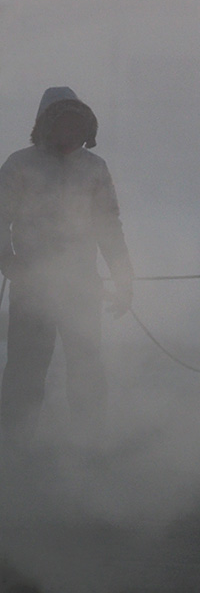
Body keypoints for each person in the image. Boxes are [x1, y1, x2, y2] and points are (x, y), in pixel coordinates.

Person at [0, 87, 133, 454]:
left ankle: (89, 444)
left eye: (77, 126)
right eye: (63, 125)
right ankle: (14, 446)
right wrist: (6, 258)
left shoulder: (95, 169)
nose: (69, 133)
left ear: (86, 130)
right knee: (25, 370)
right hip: (31, 286)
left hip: (80, 286)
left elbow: (109, 226)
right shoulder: (19, 166)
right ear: (45, 127)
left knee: (87, 367)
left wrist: (124, 278)